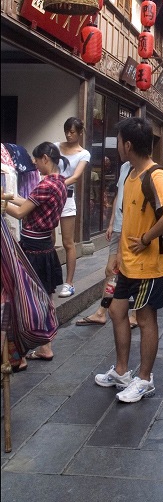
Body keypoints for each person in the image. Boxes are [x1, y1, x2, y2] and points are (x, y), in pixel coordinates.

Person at [94, 117, 163, 403]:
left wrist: (145, 239)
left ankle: (144, 379)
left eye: (119, 141)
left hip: (149, 266)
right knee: (117, 312)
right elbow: (128, 219)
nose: (117, 146)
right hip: (127, 263)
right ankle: (121, 371)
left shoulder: (154, 175)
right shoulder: (130, 173)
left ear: (128, 145)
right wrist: (117, 254)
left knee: (144, 318)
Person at [4, 142, 68, 363]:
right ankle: (45, 346)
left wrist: (2, 203)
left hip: (33, 247)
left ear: (45, 159)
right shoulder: (59, 182)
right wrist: (7, 197)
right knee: (44, 295)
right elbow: (30, 204)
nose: (35, 165)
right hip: (45, 246)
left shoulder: (45, 185)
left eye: (36, 160)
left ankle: (24, 349)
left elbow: (20, 213)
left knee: (27, 296)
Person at [76, 161, 137, 329]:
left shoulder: (144, 169)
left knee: (131, 272)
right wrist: (111, 223)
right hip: (118, 227)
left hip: (131, 230)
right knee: (110, 271)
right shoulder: (124, 166)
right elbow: (119, 196)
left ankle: (136, 314)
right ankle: (101, 312)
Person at [54, 117, 91, 297]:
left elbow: (76, 177)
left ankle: (69, 283)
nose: (69, 135)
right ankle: (50, 278)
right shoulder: (55, 147)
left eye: (72, 132)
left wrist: (55, 184)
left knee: (68, 242)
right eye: (66, 131)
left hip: (67, 197)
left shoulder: (83, 153)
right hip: (51, 196)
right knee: (48, 240)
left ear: (80, 132)